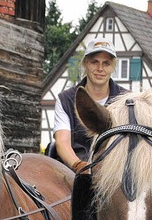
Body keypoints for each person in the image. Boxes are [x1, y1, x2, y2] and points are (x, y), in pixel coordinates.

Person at [51, 39, 127, 172]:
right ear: (86, 64)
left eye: (106, 63)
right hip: (74, 171)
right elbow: (62, 142)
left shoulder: (126, 100)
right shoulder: (66, 99)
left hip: (115, 172)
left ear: (113, 67)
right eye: (94, 62)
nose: (100, 69)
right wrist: (79, 166)